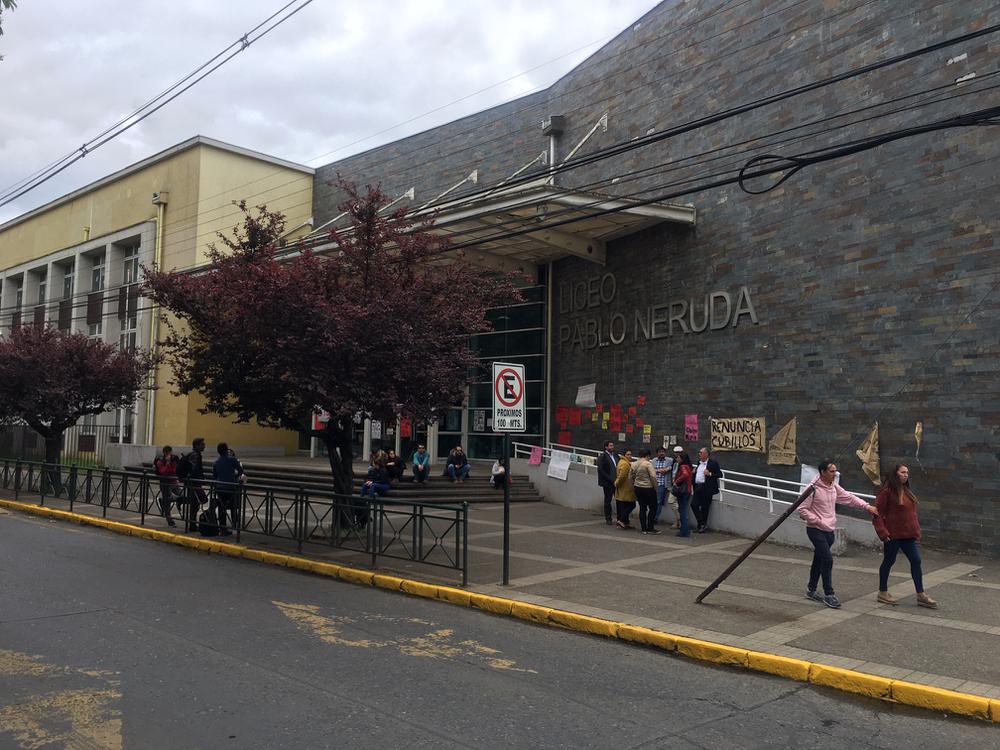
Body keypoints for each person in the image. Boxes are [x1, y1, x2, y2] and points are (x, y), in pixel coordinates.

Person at [799, 460, 879, 609]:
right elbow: (802, 509)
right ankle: (829, 594)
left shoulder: (833, 487)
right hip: (815, 529)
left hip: (829, 530)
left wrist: (867, 506)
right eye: (831, 471)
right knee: (827, 560)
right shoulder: (811, 489)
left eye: (835, 471)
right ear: (822, 472)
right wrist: (817, 521)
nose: (834, 474)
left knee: (819, 560)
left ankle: (811, 590)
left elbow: (849, 498)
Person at [873, 464, 937, 609]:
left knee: (916, 560)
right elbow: (877, 514)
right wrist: (883, 533)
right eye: (903, 472)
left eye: (907, 472)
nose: (906, 475)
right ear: (895, 474)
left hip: (908, 535)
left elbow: (911, 515)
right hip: (893, 535)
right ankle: (882, 592)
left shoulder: (907, 491)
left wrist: (916, 530)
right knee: (889, 561)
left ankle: (921, 594)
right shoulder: (886, 492)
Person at [211, 442, 243, 536]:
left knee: (222, 508)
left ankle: (223, 528)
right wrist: (234, 476)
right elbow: (240, 471)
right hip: (231, 487)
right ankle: (235, 523)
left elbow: (215, 476)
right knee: (233, 505)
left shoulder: (216, 462)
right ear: (226, 450)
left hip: (220, 488)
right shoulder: (232, 460)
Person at [178, 437, 208, 533]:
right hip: (194, 483)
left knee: (195, 503)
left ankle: (192, 524)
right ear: (197, 445)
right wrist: (197, 477)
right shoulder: (195, 455)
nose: (204, 446)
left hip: (193, 482)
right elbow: (194, 468)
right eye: (202, 444)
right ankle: (181, 500)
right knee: (201, 500)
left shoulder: (194, 454)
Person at [692, 447, 723, 533]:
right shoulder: (699, 463)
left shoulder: (713, 463)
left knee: (704, 508)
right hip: (698, 487)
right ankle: (701, 523)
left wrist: (709, 474)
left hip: (707, 488)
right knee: (694, 505)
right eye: (699, 452)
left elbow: (719, 474)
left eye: (701, 453)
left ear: (706, 454)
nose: (699, 454)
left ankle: (702, 525)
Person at [631, 449, 660, 534]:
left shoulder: (634, 464)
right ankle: (650, 527)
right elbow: (653, 476)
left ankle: (643, 528)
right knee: (653, 508)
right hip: (648, 488)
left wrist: (633, 485)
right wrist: (656, 487)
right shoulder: (648, 464)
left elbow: (630, 476)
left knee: (642, 508)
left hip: (638, 487)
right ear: (647, 455)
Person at [152, 446, 179, 527]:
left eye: (170, 452)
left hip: (174, 482)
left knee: (181, 496)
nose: (169, 455)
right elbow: (163, 472)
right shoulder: (160, 461)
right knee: (167, 503)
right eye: (167, 452)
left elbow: (174, 470)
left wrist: (170, 467)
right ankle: (169, 520)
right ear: (164, 453)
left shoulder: (174, 459)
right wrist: (167, 464)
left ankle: (162, 500)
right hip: (165, 484)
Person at [672, 451, 694, 537]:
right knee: (683, 510)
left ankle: (684, 531)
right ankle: (684, 530)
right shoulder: (688, 466)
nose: (677, 459)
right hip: (687, 491)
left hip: (683, 491)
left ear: (682, 459)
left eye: (678, 457)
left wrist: (676, 482)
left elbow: (684, 475)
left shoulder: (683, 466)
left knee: (682, 511)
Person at [597, 441, 619, 526]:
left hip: (616, 481)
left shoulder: (615, 455)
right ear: (606, 447)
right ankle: (608, 518)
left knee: (619, 499)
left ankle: (620, 518)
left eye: (613, 445)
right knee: (608, 500)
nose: (612, 447)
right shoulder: (603, 457)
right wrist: (610, 479)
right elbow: (601, 470)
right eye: (610, 445)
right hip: (608, 482)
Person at [614, 448, 636, 529]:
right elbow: (622, 476)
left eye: (630, 454)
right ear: (624, 455)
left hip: (624, 488)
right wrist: (616, 483)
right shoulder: (625, 464)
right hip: (626, 488)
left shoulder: (623, 462)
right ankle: (621, 520)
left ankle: (625, 522)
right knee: (631, 504)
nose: (630, 456)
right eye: (628, 454)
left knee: (624, 505)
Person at [652, 446, 674, 526]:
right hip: (654, 483)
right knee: (653, 501)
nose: (662, 453)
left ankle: (655, 518)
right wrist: (658, 470)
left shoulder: (669, 460)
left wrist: (667, 469)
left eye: (663, 452)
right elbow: (651, 469)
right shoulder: (654, 460)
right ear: (657, 453)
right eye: (660, 452)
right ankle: (652, 516)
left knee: (658, 502)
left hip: (662, 484)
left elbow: (675, 465)